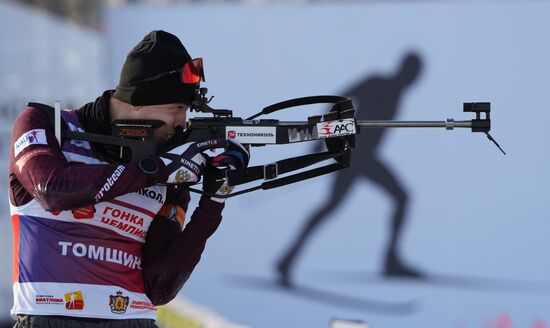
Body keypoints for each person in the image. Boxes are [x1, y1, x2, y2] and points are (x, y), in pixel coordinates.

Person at [9, 30, 248, 328]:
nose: (182, 123)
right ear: (138, 101)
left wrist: (214, 199)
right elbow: (52, 191)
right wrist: (157, 168)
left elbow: (159, 287)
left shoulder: (169, 162)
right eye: (177, 108)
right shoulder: (46, 124)